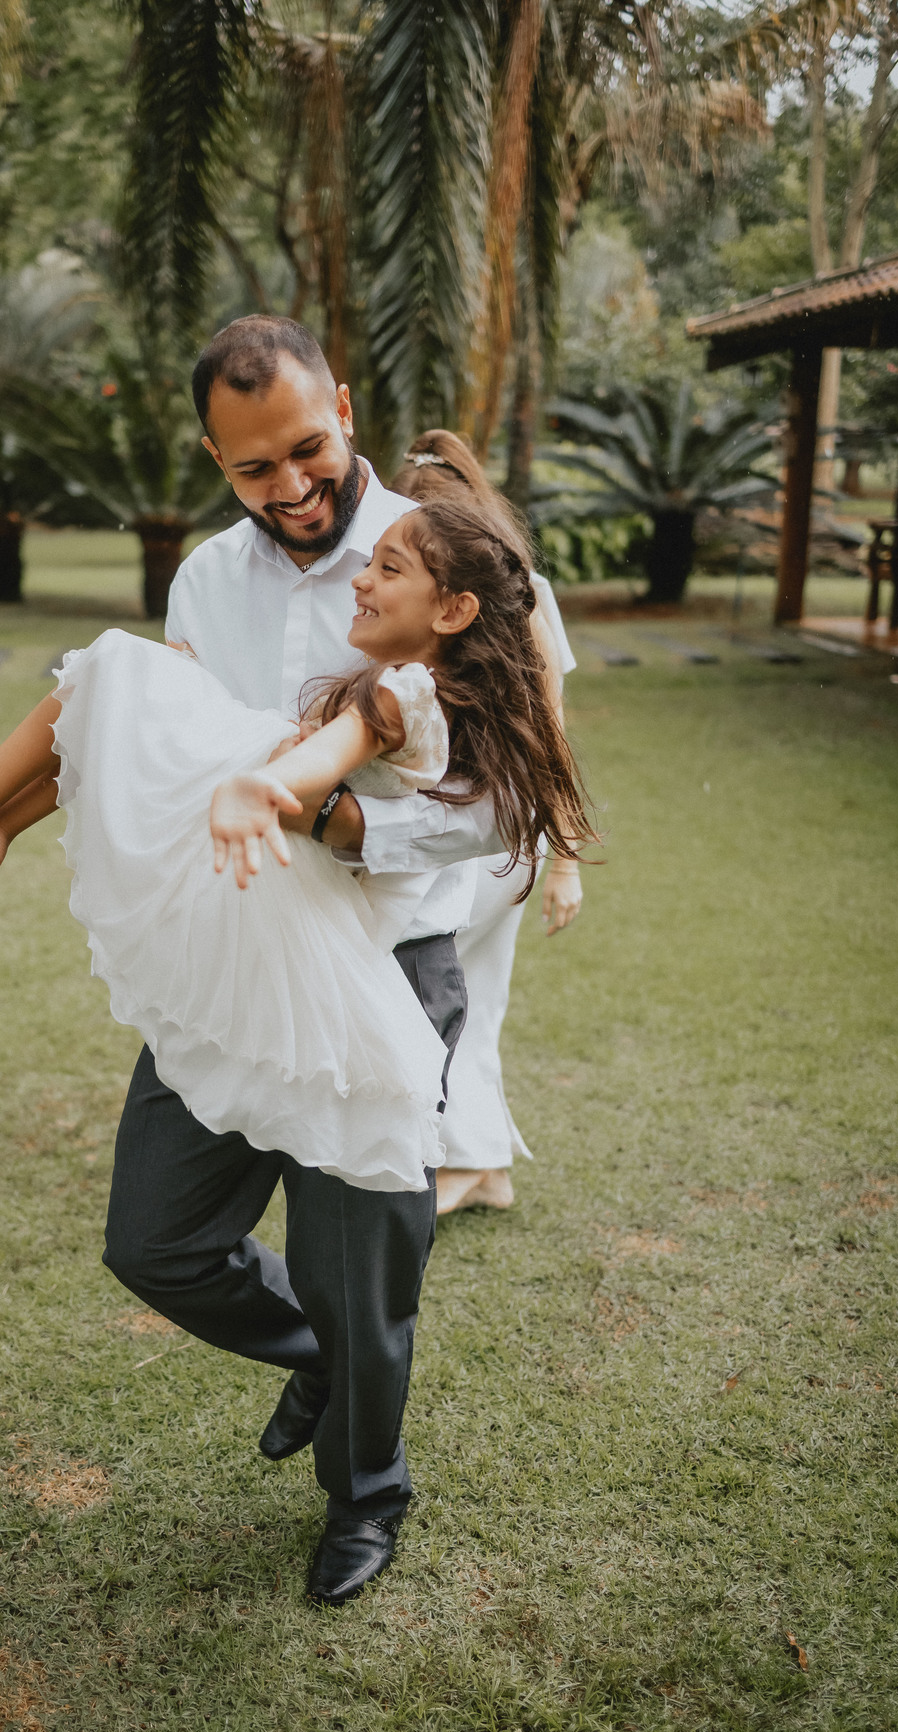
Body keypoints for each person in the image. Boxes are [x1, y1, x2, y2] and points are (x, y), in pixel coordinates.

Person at [0, 317, 592, 1607]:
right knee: (156, 1241)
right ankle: (320, 1358)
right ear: (215, 456)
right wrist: (25, 821)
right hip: (239, 954)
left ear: (344, 410)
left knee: (361, 1268)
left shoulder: (445, 553)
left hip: (388, 960)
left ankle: (367, 1497)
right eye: (255, 468)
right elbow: (161, 740)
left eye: (308, 450)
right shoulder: (205, 578)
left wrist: (347, 824)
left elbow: (511, 791)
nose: (292, 487)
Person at [391, 431, 583, 1216]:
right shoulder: (441, 593)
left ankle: (461, 1159)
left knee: (438, 989)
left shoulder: (515, 596)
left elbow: (551, 730)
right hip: (478, 831)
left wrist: (566, 863)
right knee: (474, 996)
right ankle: (482, 1166)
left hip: (483, 837)